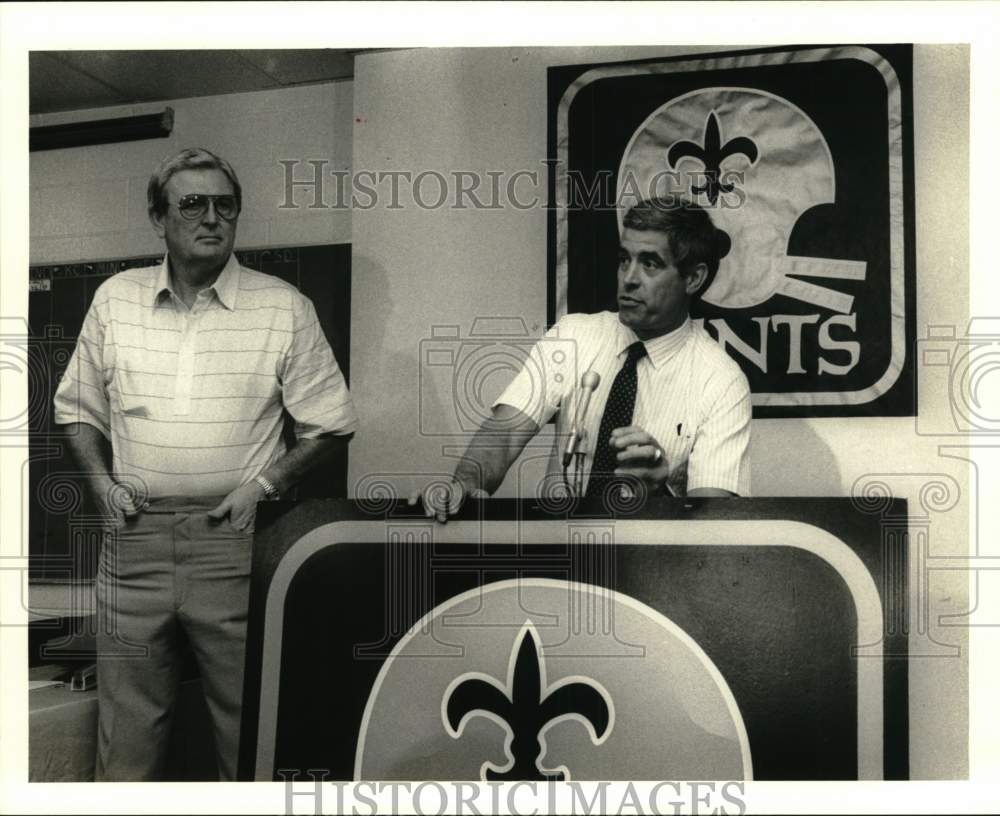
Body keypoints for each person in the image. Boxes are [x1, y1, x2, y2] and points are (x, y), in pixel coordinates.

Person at [52, 147, 358, 780]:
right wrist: (101, 485)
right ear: (158, 217)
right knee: (126, 742)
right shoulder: (115, 300)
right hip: (132, 545)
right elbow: (76, 411)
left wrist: (264, 485)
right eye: (192, 203)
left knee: (244, 733)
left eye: (225, 205)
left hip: (236, 543)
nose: (211, 218)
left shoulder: (283, 307)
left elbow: (331, 424)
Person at [412, 198, 751, 522]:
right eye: (623, 259)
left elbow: (714, 525)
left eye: (650, 263)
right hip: (560, 558)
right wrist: (465, 482)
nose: (629, 278)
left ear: (693, 278)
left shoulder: (720, 381)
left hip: (653, 568)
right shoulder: (574, 335)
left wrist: (660, 489)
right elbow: (503, 437)